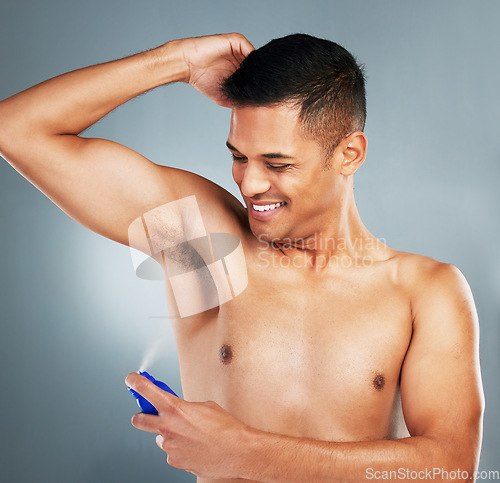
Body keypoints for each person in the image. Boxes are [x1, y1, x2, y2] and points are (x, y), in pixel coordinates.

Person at [0, 32, 484, 482]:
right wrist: (177, 60)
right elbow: (17, 131)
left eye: (277, 163)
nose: (250, 184)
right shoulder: (207, 252)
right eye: (239, 156)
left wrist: (246, 451)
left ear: (349, 154)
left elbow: (451, 464)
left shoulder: (422, 292)